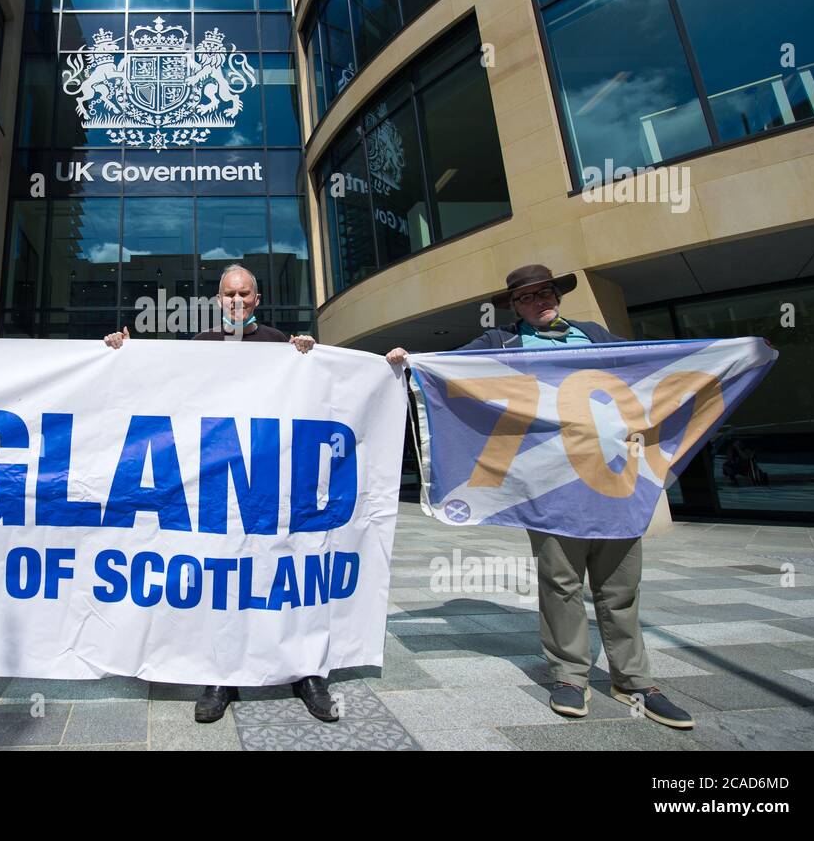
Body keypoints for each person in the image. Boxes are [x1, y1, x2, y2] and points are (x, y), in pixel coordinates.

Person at [385, 264, 694, 729]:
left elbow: (650, 366)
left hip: (614, 481)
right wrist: (410, 360)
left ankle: (634, 681)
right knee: (562, 583)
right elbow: (448, 369)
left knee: (620, 588)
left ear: (558, 295)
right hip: (549, 484)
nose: (539, 301)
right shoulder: (500, 344)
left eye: (545, 292)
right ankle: (570, 675)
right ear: (515, 307)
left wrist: (739, 351)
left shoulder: (595, 337)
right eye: (528, 298)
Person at [103, 264, 336, 724]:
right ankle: (220, 677)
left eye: (243, 294)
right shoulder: (199, 347)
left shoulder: (282, 346)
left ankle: (306, 673)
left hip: (275, 483)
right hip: (219, 485)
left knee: (285, 567)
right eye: (228, 294)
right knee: (224, 575)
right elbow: (161, 389)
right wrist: (123, 354)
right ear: (217, 300)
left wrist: (309, 356)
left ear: (257, 297)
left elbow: (319, 395)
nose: (235, 301)